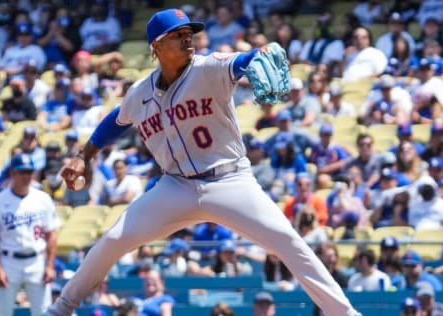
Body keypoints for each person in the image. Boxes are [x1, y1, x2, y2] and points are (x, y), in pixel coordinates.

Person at [48, 8, 361, 316]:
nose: (189, 40)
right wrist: (83, 155)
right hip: (175, 187)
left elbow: (241, 62)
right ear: (156, 46)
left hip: (229, 181)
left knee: (288, 242)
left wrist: (258, 55)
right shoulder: (140, 92)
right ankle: (60, 309)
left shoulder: (207, 68)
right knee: (114, 239)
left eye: (190, 34)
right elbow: (117, 120)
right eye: (178, 35)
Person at [0, 154, 61, 316]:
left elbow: (51, 234)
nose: (27, 176)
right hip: (8, 262)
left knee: (44, 311)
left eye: (29, 172)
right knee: (2, 312)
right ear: (12, 173)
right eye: (22, 172)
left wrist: (50, 265)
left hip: (36, 260)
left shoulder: (42, 198)